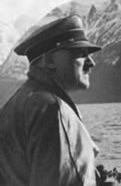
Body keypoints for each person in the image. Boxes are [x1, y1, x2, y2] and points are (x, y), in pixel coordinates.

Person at [0, 15, 112, 185]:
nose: (91, 63)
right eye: (81, 53)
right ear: (50, 60)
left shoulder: (15, 105)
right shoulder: (53, 110)